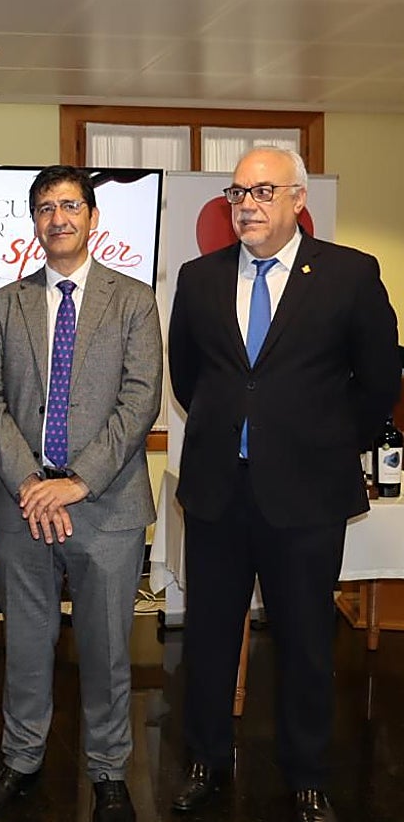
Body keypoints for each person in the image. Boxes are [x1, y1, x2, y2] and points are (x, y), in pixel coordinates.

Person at [167, 147, 399, 822]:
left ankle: (307, 775)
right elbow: (189, 376)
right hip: (217, 491)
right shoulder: (199, 278)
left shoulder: (350, 274)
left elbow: (379, 378)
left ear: (299, 199)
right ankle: (206, 762)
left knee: (304, 642)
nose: (247, 205)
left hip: (307, 496)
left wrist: (327, 442)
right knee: (209, 638)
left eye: (263, 191)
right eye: (238, 193)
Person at [0, 165, 162, 822]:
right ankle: (21, 760)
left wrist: (77, 482)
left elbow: (140, 401)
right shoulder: (5, 303)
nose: (59, 218)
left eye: (70, 206)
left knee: (106, 649)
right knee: (26, 645)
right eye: (46, 208)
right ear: (34, 222)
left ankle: (109, 772)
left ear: (93, 218)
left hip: (106, 507)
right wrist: (31, 482)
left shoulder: (133, 300)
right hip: (21, 506)